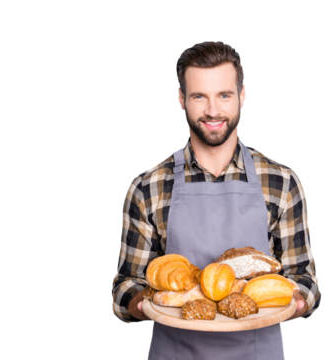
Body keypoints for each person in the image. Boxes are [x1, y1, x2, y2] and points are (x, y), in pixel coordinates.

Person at [111, 39, 321, 360]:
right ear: (181, 99)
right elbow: (126, 285)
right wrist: (148, 305)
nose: (212, 111)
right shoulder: (148, 186)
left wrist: (293, 302)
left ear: (242, 96)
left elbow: (304, 279)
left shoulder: (281, 181)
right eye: (199, 96)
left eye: (224, 95)